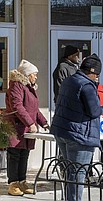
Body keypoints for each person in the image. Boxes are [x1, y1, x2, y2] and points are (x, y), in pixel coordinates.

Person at [51, 54, 103, 201]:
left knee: (70, 172)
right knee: (78, 174)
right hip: (80, 135)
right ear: (91, 72)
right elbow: (94, 111)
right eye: (97, 74)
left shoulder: (68, 81)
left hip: (63, 131)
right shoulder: (86, 85)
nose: (97, 78)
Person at [5, 60, 49, 196]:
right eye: (34, 74)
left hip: (25, 129)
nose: (36, 77)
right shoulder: (16, 86)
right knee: (14, 155)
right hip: (16, 127)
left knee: (24, 154)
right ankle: (13, 183)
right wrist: (30, 123)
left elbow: (34, 109)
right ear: (27, 74)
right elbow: (18, 106)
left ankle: (22, 181)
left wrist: (44, 123)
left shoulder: (30, 88)